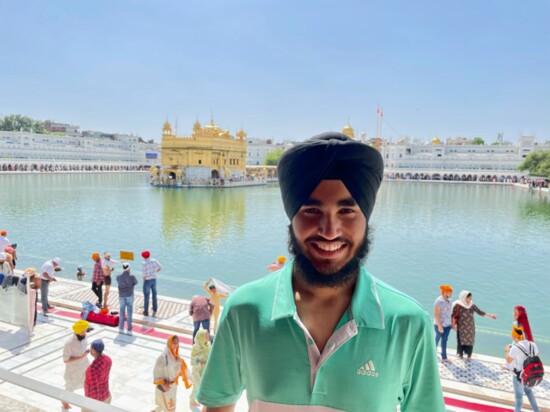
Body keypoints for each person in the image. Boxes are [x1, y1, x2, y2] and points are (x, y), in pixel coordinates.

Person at [197, 132, 446, 411]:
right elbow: (218, 405)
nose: (330, 231)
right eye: (312, 210)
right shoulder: (245, 310)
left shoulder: (406, 323)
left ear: (366, 221)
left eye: (347, 211)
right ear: (292, 219)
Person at [452, 290, 497, 361]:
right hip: (461, 327)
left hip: (470, 327)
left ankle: (469, 356)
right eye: (469, 298)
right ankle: (460, 354)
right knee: (460, 340)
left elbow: (479, 312)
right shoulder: (457, 305)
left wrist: (491, 315)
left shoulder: (471, 305)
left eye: (471, 298)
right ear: (463, 297)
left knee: (470, 340)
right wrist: (453, 325)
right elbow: (452, 315)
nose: (470, 299)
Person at [505, 326, 540, 412]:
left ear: (516, 337)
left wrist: (507, 351)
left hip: (519, 376)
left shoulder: (515, 348)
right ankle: (536, 410)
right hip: (530, 375)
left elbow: (508, 361)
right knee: (529, 392)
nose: (513, 339)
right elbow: (536, 358)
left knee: (519, 397)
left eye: (513, 337)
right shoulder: (533, 345)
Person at [153, 335, 191, 412]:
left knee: (171, 405)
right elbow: (156, 373)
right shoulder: (162, 358)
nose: (176, 345)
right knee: (167, 406)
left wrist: (181, 364)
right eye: (174, 343)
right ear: (169, 343)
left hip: (173, 386)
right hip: (164, 386)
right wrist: (163, 383)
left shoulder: (176, 356)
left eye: (177, 343)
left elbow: (176, 371)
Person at [62, 320, 91, 412]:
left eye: (85, 330)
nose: (85, 333)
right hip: (74, 370)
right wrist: (81, 357)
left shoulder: (85, 336)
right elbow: (66, 360)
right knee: (71, 387)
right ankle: (64, 402)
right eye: (83, 331)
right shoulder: (69, 343)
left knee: (88, 384)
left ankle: (89, 403)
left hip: (85, 366)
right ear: (76, 332)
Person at [83, 339, 112, 410]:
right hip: (106, 396)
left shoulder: (92, 370)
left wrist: (95, 407)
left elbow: (94, 391)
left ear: (93, 350)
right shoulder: (108, 359)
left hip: (93, 403)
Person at [189, 328, 211, 408]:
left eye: (208, 336)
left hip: (205, 371)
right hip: (197, 372)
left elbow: (210, 356)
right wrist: (201, 363)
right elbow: (193, 362)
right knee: (196, 387)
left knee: (204, 387)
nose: (208, 338)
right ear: (201, 338)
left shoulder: (208, 345)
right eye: (206, 336)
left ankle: (204, 403)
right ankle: (192, 401)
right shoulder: (195, 348)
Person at [434, 284, 454, 363]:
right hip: (439, 325)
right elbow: (436, 314)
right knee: (436, 340)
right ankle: (431, 355)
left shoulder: (450, 301)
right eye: (449, 292)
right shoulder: (438, 301)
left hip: (447, 325)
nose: (451, 294)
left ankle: (444, 357)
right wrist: (439, 326)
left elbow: (450, 313)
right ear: (444, 292)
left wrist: (452, 324)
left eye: (451, 292)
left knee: (445, 340)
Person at [116, 261, 138, 335]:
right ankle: (129, 326)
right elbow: (136, 283)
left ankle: (121, 327)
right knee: (129, 311)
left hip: (121, 295)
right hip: (129, 295)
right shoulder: (132, 276)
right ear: (129, 268)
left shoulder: (118, 277)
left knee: (121, 311)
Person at [141, 250, 163, 317]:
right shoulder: (154, 260)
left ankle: (146, 311)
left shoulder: (144, 263)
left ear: (143, 257)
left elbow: (144, 274)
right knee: (154, 295)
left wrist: (144, 279)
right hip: (154, 279)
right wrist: (156, 271)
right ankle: (155, 309)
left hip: (147, 280)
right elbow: (161, 267)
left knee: (146, 296)